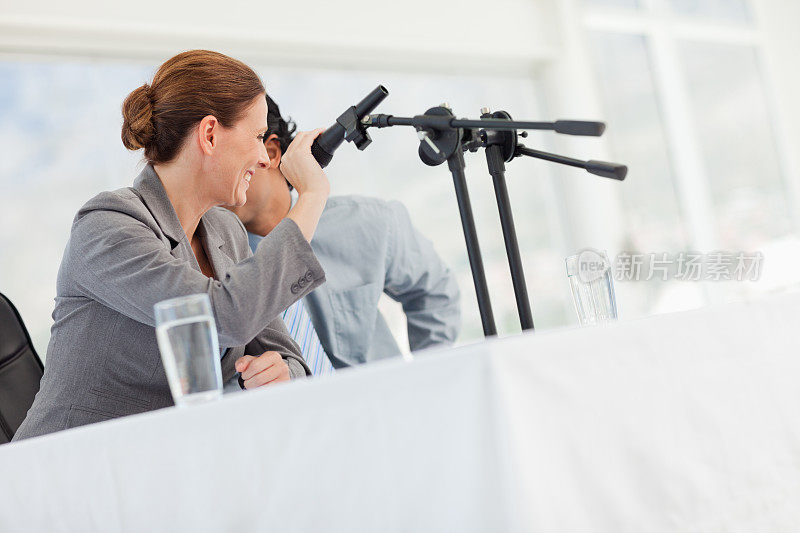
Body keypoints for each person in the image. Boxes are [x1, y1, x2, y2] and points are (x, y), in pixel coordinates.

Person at [13, 50, 330, 440]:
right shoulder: (108, 225)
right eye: (257, 136)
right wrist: (311, 196)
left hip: (163, 466)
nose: (265, 159)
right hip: (66, 472)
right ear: (210, 134)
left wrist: (284, 371)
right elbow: (220, 317)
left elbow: (288, 353)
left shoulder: (226, 231)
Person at [230, 95, 461, 370]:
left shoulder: (364, 222)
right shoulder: (213, 266)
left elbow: (436, 290)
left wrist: (426, 378)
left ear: (270, 153)